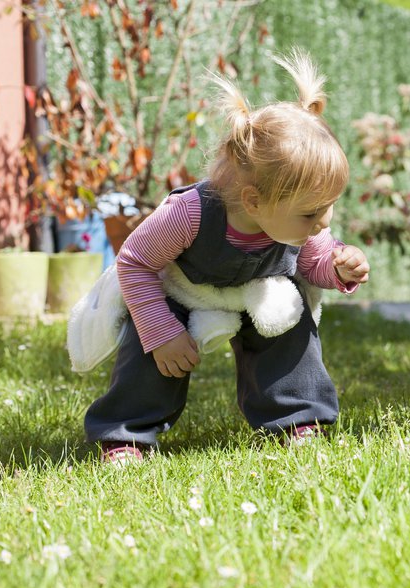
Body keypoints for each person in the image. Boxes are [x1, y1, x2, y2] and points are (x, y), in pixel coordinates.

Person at [86, 50, 370, 463]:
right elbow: (134, 262)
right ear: (254, 201)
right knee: (153, 355)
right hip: (184, 291)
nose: (324, 222)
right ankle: (126, 434)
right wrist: (161, 332)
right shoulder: (188, 215)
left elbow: (311, 264)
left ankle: (297, 419)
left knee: (287, 321)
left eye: (330, 206)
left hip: (254, 290)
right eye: (311, 212)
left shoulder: (298, 222)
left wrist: (339, 267)